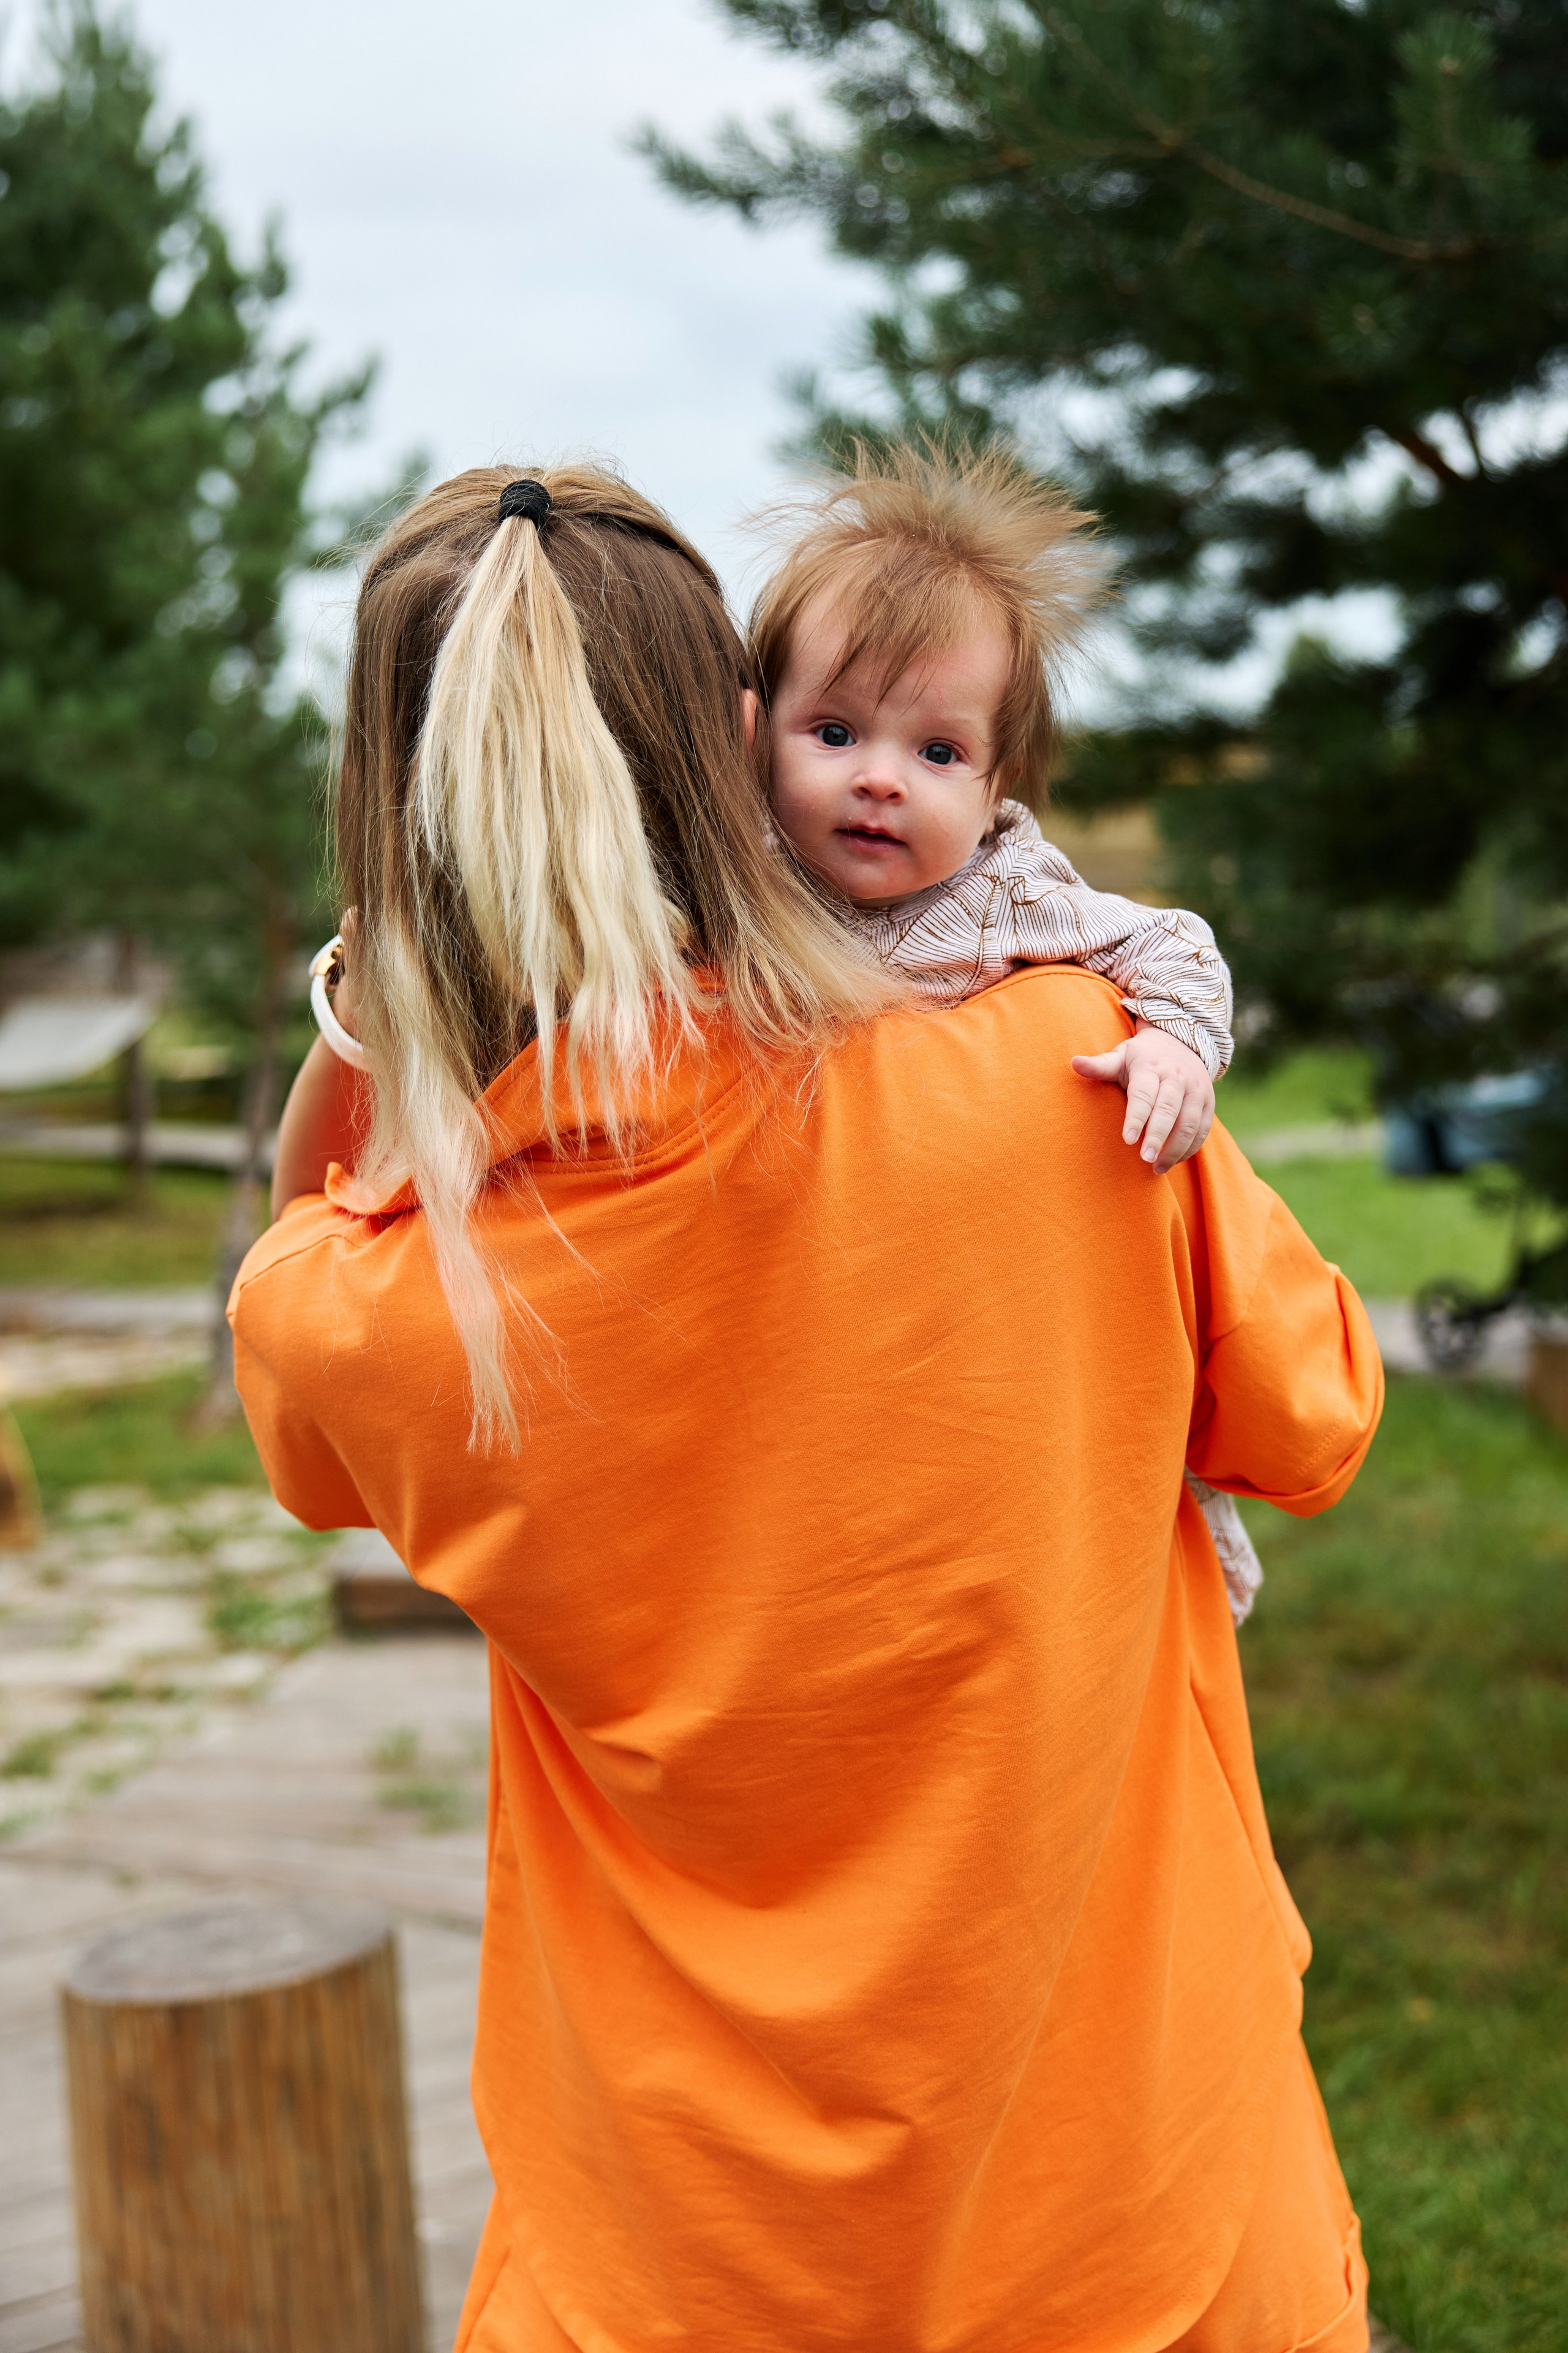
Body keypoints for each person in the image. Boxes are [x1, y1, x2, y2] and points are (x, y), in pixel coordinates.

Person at [233, 462, 1384, 2353]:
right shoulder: (1080, 1079)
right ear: (736, 735)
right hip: (1160, 2235)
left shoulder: (392, 1292)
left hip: (672, 2274)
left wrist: (375, 1003)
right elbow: (1319, 1412)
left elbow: (300, 1341)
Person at [751, 439, 1264, 1618]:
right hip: (841, 1300)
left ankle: (1181, 1551)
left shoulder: (1008, 894)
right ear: (752, 730)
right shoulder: (746, 896)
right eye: (833, 733)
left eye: (938, 752)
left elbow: (1174, 943)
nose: (882, 779)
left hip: (1013, 1290)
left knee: (1102, 1452)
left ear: (996, 787)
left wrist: (1176, 1047)